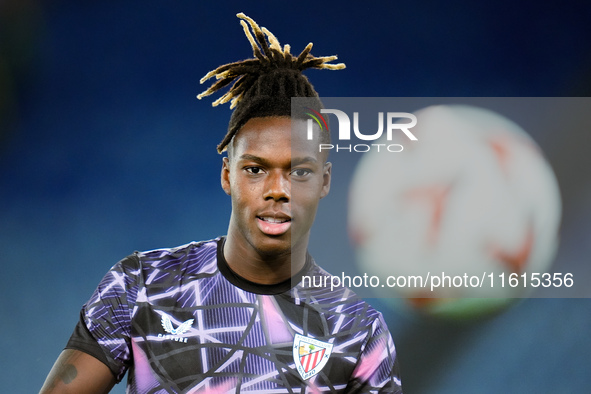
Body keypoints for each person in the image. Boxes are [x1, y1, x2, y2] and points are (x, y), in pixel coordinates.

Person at [40, 13, 403, 393]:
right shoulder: (142, 286)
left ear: (324, 182)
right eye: (256, 169)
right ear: (228, 175)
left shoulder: (357, 330)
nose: (277, 189)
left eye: (299, 172)